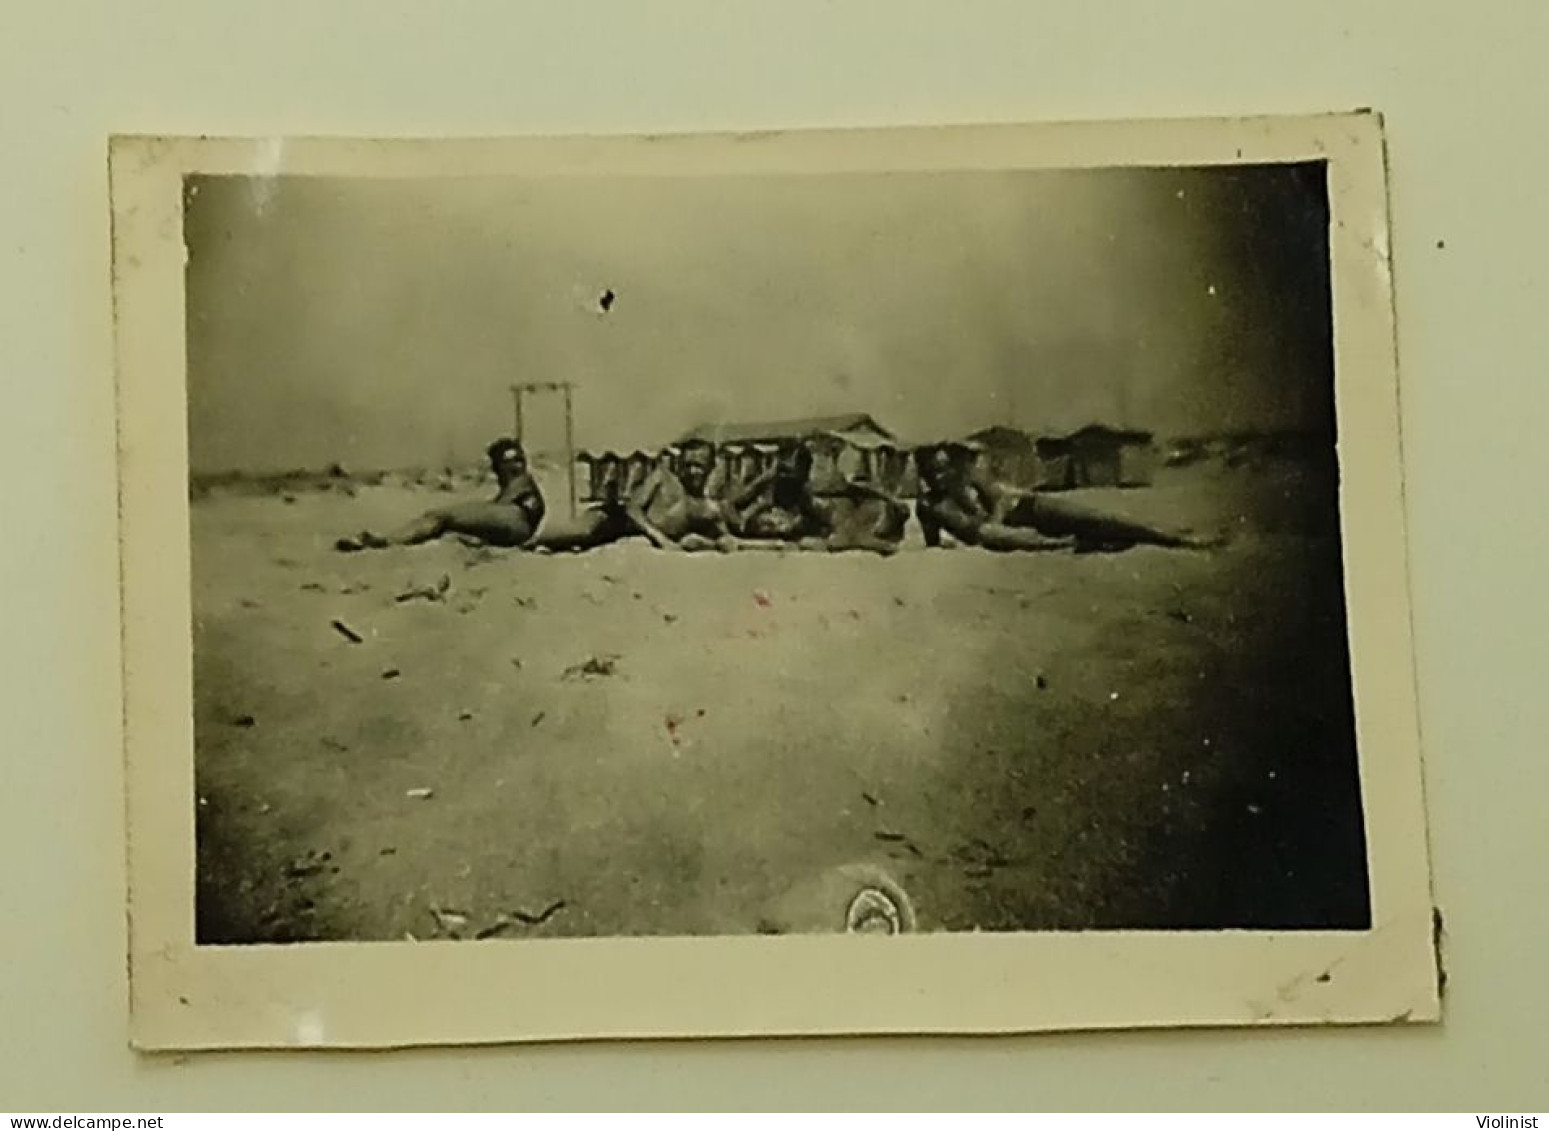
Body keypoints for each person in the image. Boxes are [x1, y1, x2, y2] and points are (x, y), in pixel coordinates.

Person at [914, 443, 1219, 553]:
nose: (939, 474)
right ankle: (1066, 544)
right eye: (932, 471)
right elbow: (937, 538)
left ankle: (1173, 538)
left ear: (951, 465)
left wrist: (994, 518)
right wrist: (949, 542)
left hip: (1026, 509)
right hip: (1003, 531)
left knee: (1099, 519)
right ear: (923, 473)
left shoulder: (968, 478)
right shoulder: (931, 503)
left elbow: (1001, 501)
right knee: (993, 535)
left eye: (943, 467)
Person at [334, 437, 545, 552]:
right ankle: (392, 540)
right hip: (518, 524)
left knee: (440, 517)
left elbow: (506, 508)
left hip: (515, 519)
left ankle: (387, 542)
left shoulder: (519, 483)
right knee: (448, 525)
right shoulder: (523, 484)